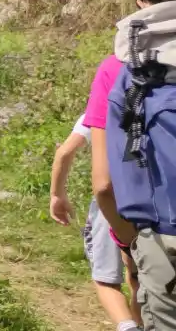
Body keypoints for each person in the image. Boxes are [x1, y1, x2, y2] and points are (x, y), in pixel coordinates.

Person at [96, 0, 176, 329]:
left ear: (142, 5)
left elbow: (104, 184)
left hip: (162, 238)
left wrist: (130, 239)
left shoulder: (125, 73)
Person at [52, 108, 140, 330]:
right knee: (138, 277)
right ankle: (143, 324)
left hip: (108, 201)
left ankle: (128, 326)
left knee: (105, 277)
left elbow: (64, 153)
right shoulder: (150, 105)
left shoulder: (97, 113)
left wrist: (57, 195)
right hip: (145, 199)